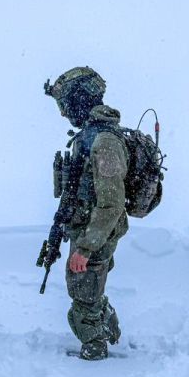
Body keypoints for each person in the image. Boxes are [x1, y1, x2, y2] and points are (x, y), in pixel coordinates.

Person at [43, 67, 128, 360]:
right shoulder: (87, 138)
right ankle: (112, 333)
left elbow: (111, 204)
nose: (64, 114)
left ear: (80, 98)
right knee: (88, 290)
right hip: (88, 227)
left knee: (83, 298)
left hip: (97, 231)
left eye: (65, 104)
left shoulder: (104, 142)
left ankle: (95, 353)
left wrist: (86, 247)